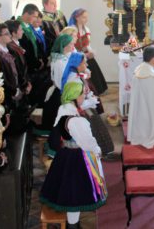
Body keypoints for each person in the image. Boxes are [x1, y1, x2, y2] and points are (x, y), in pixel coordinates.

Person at [40, 82, 107, 229]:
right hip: (78, 159)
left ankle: (73, 224)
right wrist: (97, 151)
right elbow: (87, 143)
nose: (84, 96)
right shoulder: (78, 121)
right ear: (75, 96)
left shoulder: (64, 109)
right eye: (82, 93)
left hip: (64, 156)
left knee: (68, 193)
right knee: (75, 195)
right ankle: (73, 225)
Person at [127, 47, 154, 148]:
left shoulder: (138, 70)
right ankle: (149, 137)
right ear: (153, 59)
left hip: (138, 108)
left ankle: (138, 137)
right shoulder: (151, 76)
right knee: (149, 119)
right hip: (149, 110)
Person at [69, 8, 108, 95]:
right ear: (76, 17)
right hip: (76, 56)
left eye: (86, 17)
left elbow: (87, 45)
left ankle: (97, 90)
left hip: (86, 54)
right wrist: (84, 55)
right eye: (83, 17)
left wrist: (91, 52)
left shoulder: (86, 29)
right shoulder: (72, 29)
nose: (86, 19)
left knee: (93, 67)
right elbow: (71, 47)